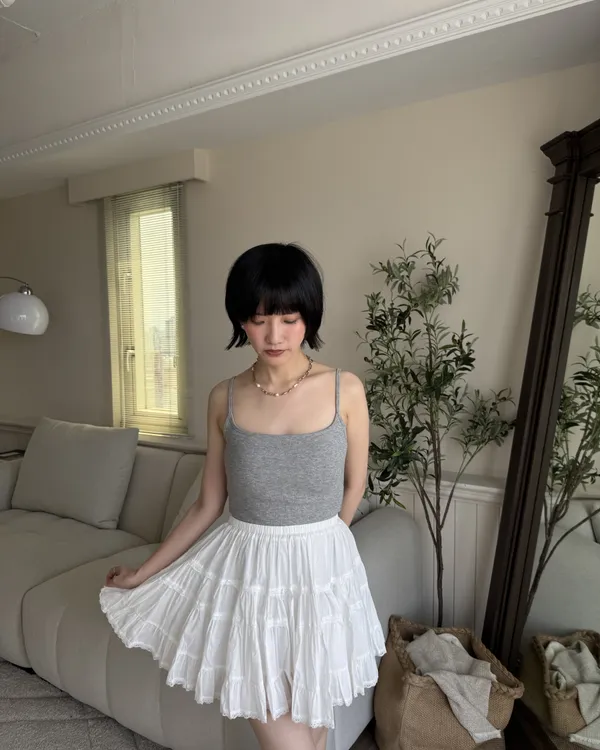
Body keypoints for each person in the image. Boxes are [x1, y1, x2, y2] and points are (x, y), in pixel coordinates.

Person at [100, 242, 386, 750]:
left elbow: (354, 483)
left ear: (309, 318)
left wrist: (327, 544)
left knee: (315, 726)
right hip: (251, 575)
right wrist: (144, 573)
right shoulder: (224, 397)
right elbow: (208, 505)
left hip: (323, 573)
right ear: (241, 321)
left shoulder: (346, 390)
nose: (274, 335)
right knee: (287, 739)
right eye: (258, 320)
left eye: (289, 319)